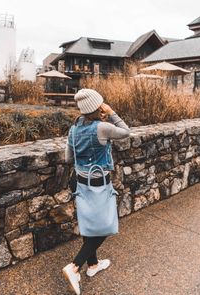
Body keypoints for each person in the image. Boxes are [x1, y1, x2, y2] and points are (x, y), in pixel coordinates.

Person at [62, 88, 130, 294]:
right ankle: (75, 266)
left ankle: (92, 265)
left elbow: (68, 159)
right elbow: (126, 131)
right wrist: (111, 112)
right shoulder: (103, 127)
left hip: (81, 182)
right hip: (99, 182)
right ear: (97, 107)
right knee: (107, 225)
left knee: (90, 223)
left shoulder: (73, 129)